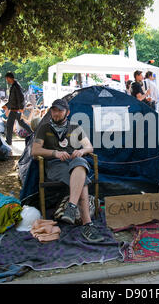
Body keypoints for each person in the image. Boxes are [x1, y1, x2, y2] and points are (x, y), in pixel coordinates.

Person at [31, 98, 104, 242]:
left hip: (74, 162)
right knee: (82, 181)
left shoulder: (74, 127)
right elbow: (35, 150)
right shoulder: (44, 127)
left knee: (80, 162)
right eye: (54, 110)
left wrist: (82, 151)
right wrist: (54, 153)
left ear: (67, 112)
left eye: (60, 110)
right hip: (55, 164)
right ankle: (87, 224)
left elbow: (89, 147)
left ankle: (71, 207)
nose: (56, 113)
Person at [4, 72, 33, 145]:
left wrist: (20, 108)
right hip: (15, 108)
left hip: (16, 109)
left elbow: (21, 97)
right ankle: (33, 135)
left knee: (9, 124)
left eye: (7, 79)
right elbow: (13, 99)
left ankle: (8, 141)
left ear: (9, 78)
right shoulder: (15, 85)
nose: (6, 80)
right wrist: (7, 105)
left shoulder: (16, 86)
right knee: (21, 123)